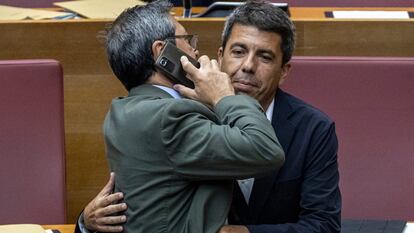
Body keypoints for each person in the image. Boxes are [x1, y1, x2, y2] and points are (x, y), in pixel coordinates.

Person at [76, 1, 341, 233]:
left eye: (265, 57)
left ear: (284, 71)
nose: (248, 66)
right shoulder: (182, 112)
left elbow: (324, 225)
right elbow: (144, 195)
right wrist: (87, 222)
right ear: (220, 57)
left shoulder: (313, 128)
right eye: (238, 52)